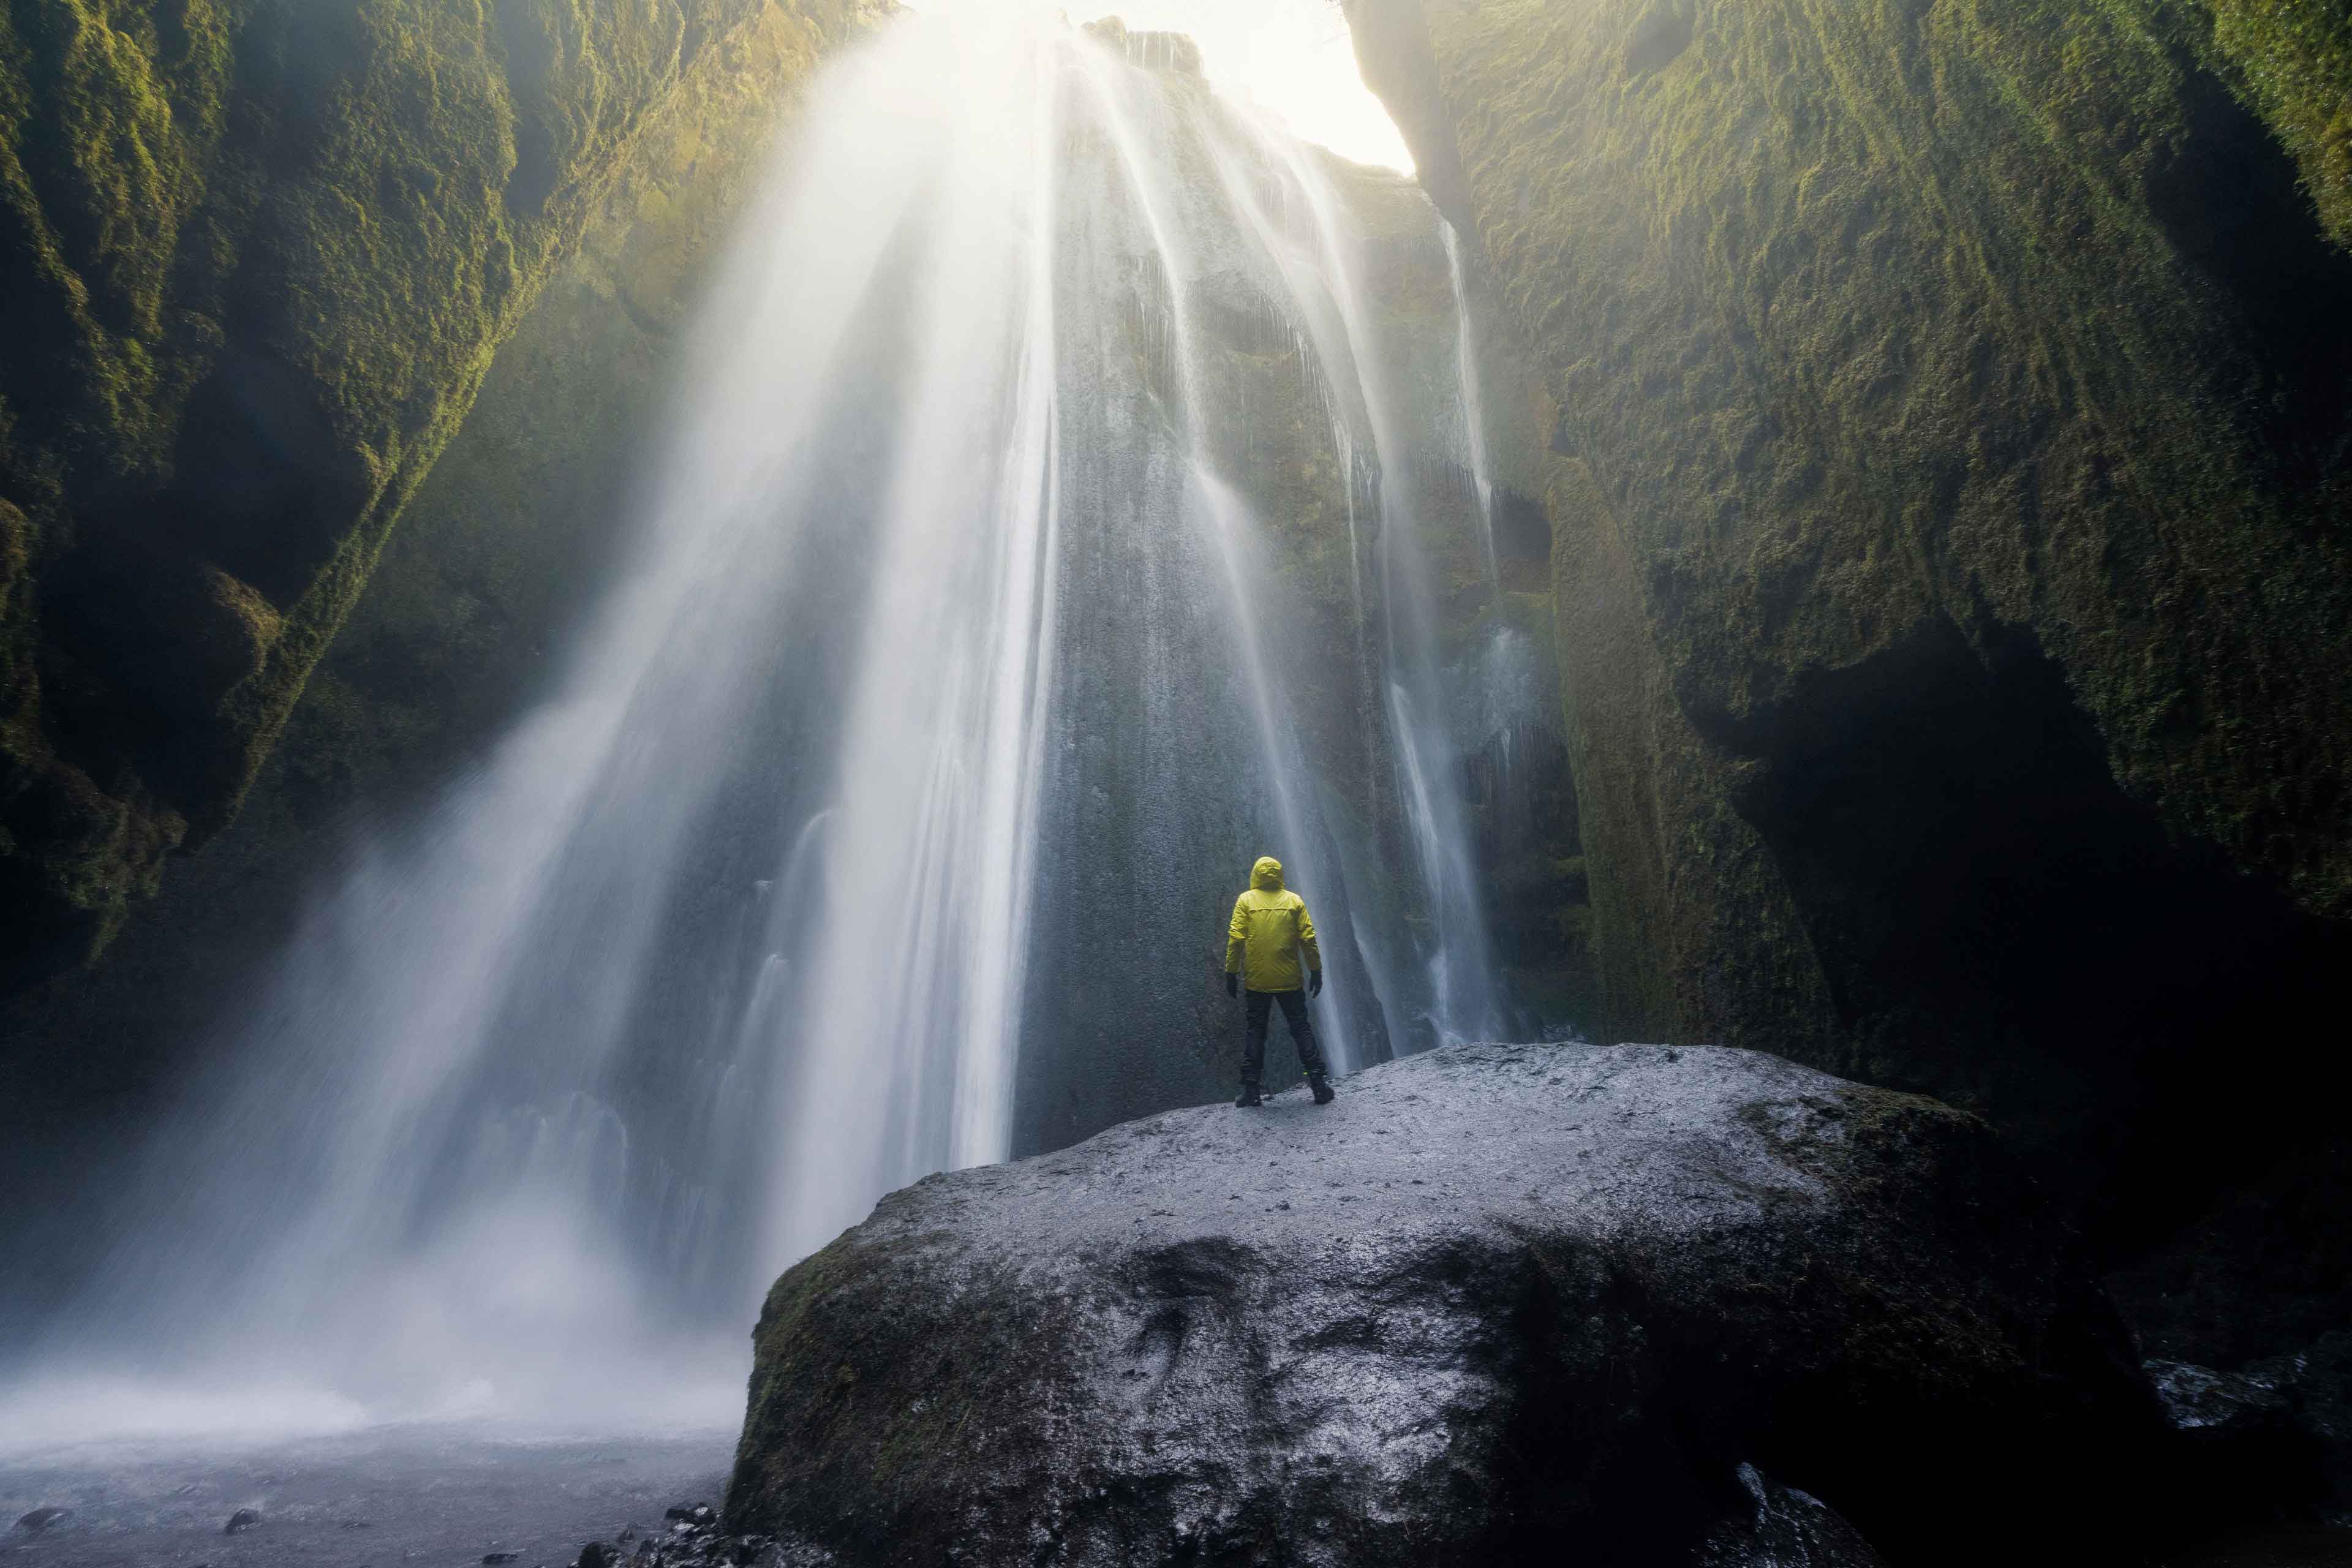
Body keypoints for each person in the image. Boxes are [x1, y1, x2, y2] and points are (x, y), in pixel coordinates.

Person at [1223, 855, 1334, 1108]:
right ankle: (1317, 1084)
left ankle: (1252, 1090)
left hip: (1257, 980)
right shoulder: (1294, 901)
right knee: (1301, 1030)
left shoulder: (1245, 901)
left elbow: (1236, 939)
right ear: (1279, 875)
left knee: (1256, 1033)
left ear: (1256, 875)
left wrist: (1231, 973)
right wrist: (1316, 971)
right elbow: (1308, 938)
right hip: (1289, 979)